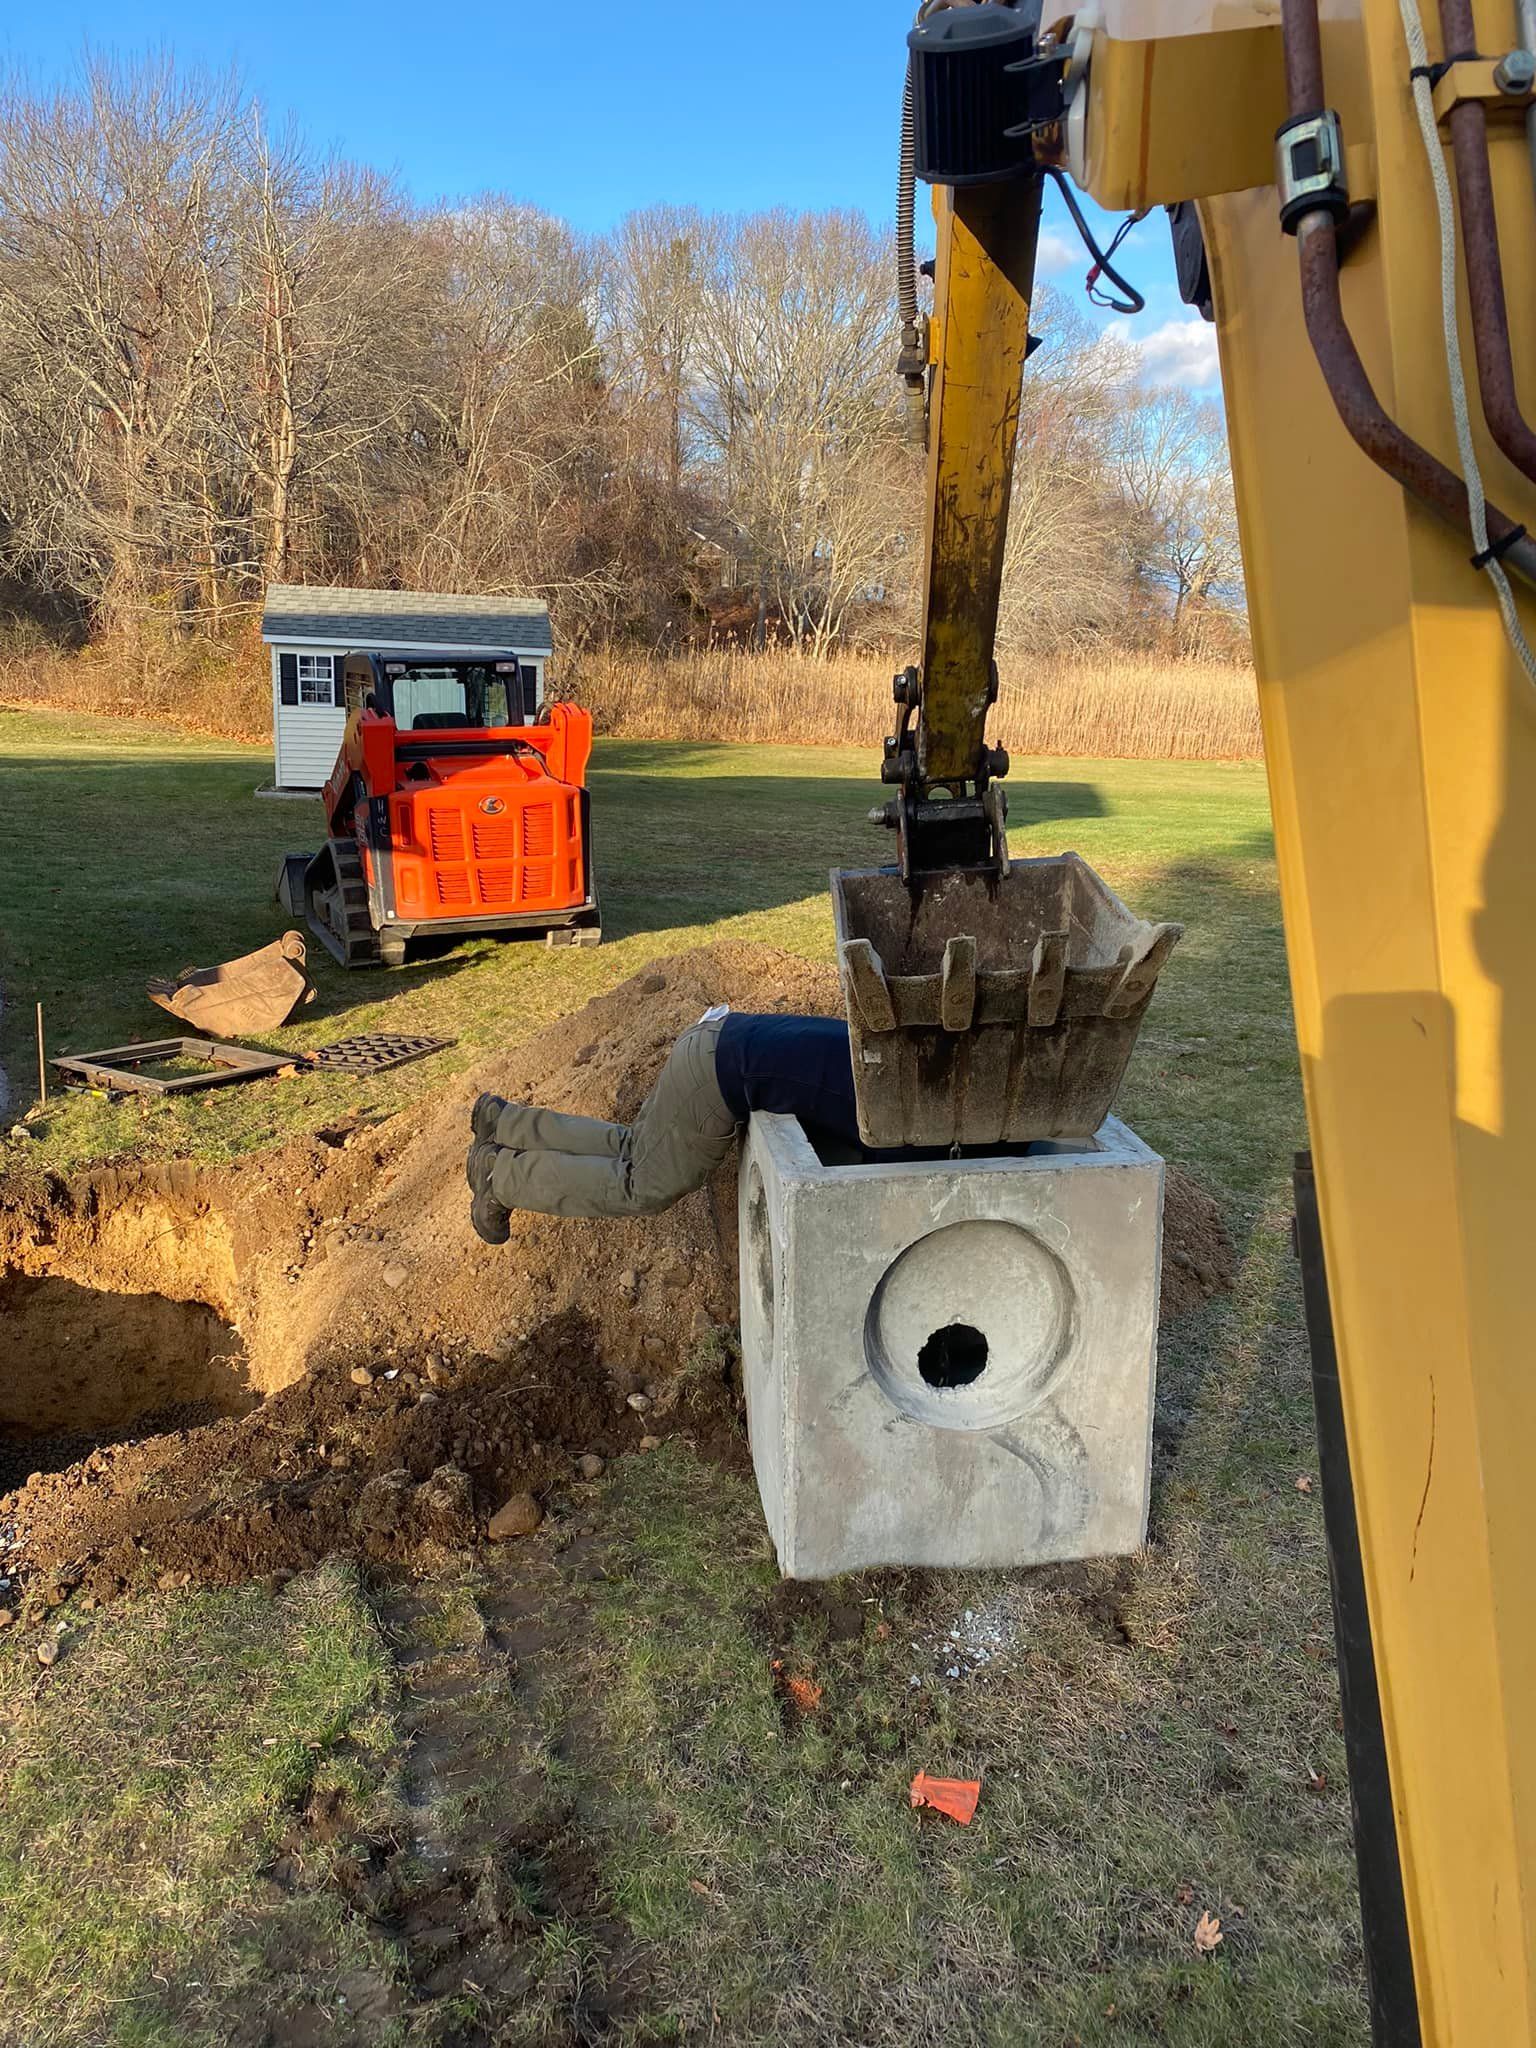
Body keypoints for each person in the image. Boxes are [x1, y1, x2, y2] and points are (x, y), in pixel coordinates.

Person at [465, 1006, 858, 1243]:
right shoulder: (892, 1106)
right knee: (643, 1187)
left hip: (711, 1039)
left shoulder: (886, 1052)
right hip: (718, 1079)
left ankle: (503, 1122)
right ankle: (500, 1178)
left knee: (633, 1147)